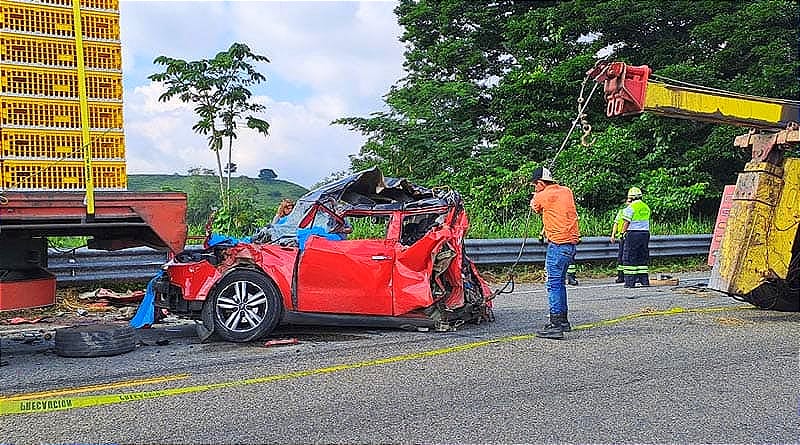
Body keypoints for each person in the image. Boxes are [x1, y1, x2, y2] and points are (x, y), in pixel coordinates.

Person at [530, 166, 580, 339]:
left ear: (541, 183)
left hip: (558, 245)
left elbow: (535, 207)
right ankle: (563, 321)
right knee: (560, 283)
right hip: (570, 245)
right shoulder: (567, 191)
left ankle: (556, 325)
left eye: (535, 185)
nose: (534, 188)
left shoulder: (542, 195)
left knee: (553, 284)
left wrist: (535, 197)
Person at [621, 187, 651, 289]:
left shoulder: (630, 207)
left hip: (633, 234)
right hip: (645, 234)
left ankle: (630, 282)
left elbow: (626, 222)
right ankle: (644, 280)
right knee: (642, 256)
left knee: (629, 256)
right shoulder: (646, 207)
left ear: (630, 197)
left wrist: (622, 233)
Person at [609, 197, 629, 284]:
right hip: (622, 237)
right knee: (621, 257)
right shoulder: (622, 212)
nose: (629, 203)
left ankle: (628, 276)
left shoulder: (633, 211)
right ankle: (621, 276)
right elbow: (616, 224)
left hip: (629, 236)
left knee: (627, 256)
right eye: (628, 201)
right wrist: (613, 235)